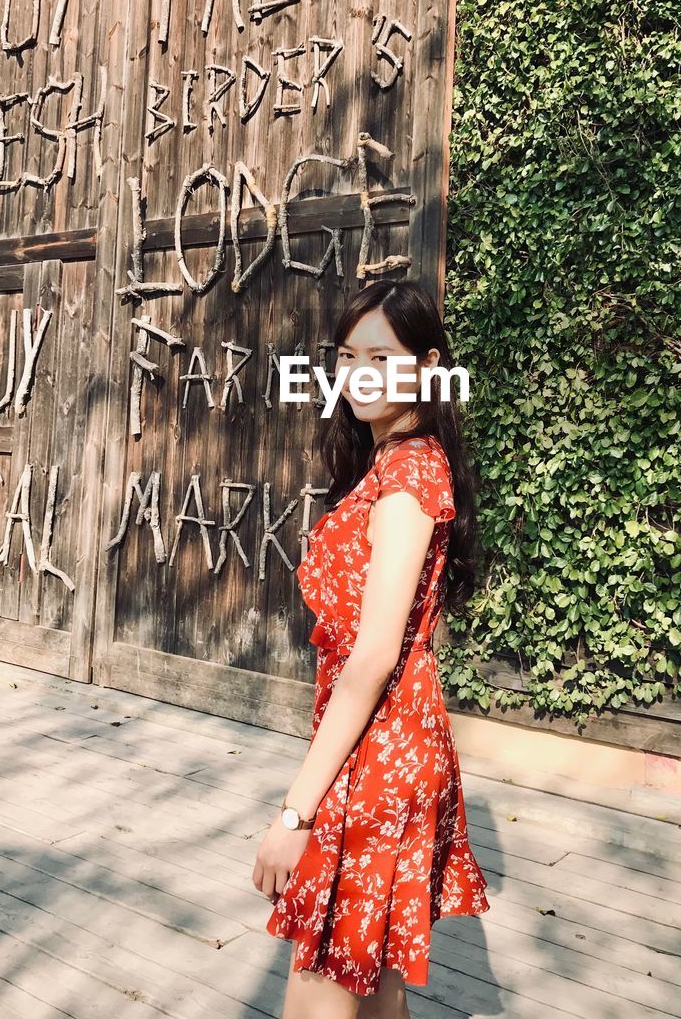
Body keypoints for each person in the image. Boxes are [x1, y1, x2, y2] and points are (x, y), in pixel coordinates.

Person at [253, 278, 490, 1018]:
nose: (358, 374)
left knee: (324, 981)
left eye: (380, 357)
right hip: (394, 743)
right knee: (375, 989)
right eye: (347, 357)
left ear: (427, 365)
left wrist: (293, 815)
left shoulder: (409, 475)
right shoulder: (396, 464)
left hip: (381, 757)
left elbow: (374, 655)